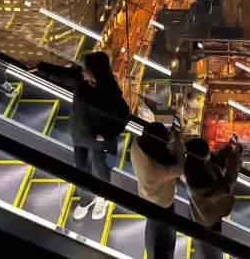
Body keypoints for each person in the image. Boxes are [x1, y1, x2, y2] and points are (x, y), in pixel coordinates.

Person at [37, 51, 129, 222]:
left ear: (94, 71)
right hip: (79, 135)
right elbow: (61, 74)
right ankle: (86, 199)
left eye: (86, 69)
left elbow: (123, 115)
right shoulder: (81, 80)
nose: (83, 71)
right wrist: (39, 68)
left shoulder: (110, 91)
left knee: (100, 166)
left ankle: (103, 196)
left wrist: (106, 135)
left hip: (97, 139)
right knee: (80, 166)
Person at [131, 121, 185, 259]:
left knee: (153, 226)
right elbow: (178, 169)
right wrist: (179, 142)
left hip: (147, 196)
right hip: (162, 203)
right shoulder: (154, 169)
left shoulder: (137, 145)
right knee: (164, 237)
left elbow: (157, 148)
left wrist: (168, 137)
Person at [184, 136, 243, 259]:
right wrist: (235, 161)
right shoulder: (199, 181)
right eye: (207, 152)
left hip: (202, 211)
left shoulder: (193, 164)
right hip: (208, 218)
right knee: (211, 247)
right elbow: (225, 187)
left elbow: (215, 161)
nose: (210, 153)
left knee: (209, 243)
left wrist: (228, 148)